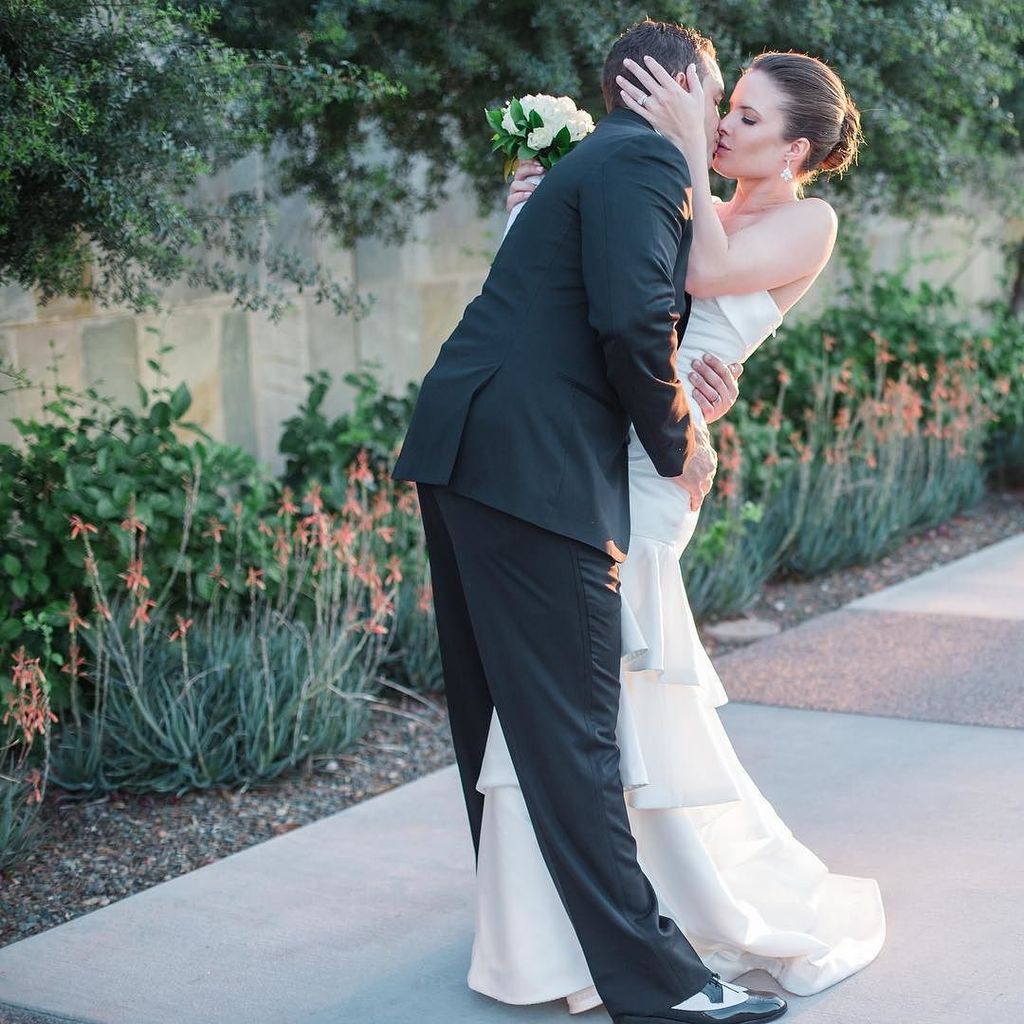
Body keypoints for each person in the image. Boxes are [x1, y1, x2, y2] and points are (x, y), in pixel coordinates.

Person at [468, 36, 886, 1021]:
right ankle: (579, 921)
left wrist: (669, 145)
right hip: (597, 429)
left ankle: (669, 914)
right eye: (726, 104)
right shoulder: (694, 190)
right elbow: (609, 298)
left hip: (657, 463)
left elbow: (704, 276)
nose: (726, 124)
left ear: (794, 151)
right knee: (583, 693)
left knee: (626, 689)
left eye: (747, 117)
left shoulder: (804, 221)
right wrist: (548, 197)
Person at [392, 18, 792, 1024]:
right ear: (681, 83)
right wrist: (683, 444)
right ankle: (665, 992)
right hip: (531, 467)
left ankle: (528, 932)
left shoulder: (604, 160)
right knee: (574, 729)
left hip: (468, 444)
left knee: (497, 710)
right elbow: (628, 321)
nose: (717, 118)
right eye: (716, 92)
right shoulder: (643, 164)